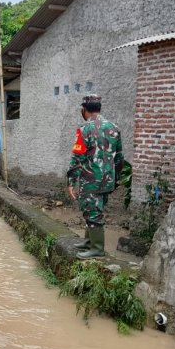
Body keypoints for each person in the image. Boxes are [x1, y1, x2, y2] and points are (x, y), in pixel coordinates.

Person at [67, 94, 123, 259]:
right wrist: (116, 180)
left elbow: (77, 158)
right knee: (95, 210)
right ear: (99, 108)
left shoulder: (84, 130)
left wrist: (71, 181)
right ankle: (89, 241)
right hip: (108, 180)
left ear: (84, 110)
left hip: (91, 179)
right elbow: (119, 158)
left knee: (92, 211)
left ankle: (97, 249)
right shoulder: (114, 128)